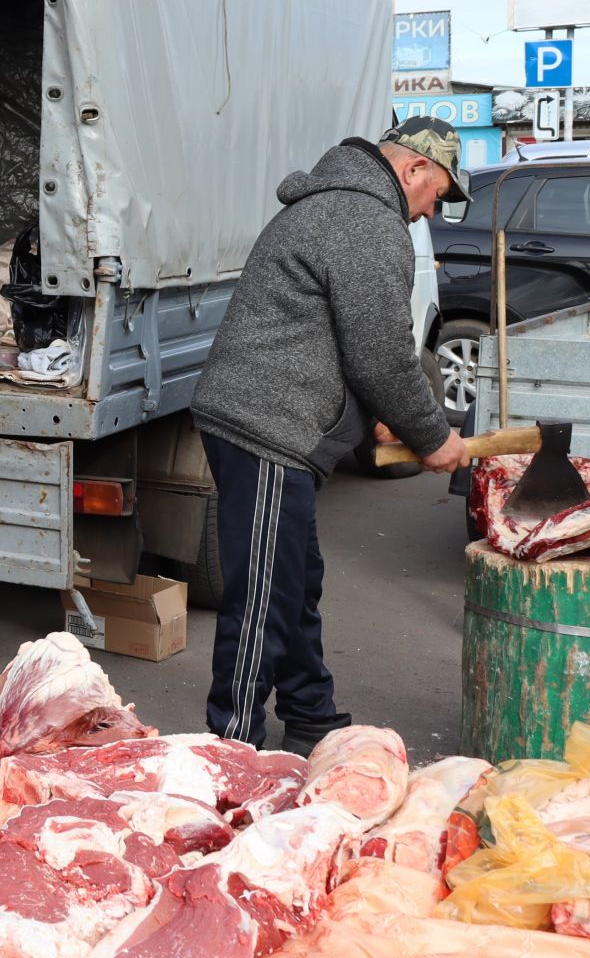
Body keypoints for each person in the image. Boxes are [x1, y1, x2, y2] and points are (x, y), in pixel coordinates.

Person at [190, 115, 471, 755]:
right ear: (414, 169)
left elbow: (337, 338)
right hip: (266, 426)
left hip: (273, 420)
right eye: (437, 194)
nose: (431, 211)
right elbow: (382, 353)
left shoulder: (339, 207)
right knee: (264, 594)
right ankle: (226, 752)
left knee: (295, 578)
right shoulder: (366, 222)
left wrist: (377, 413)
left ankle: (311, 710)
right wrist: (433, 436)